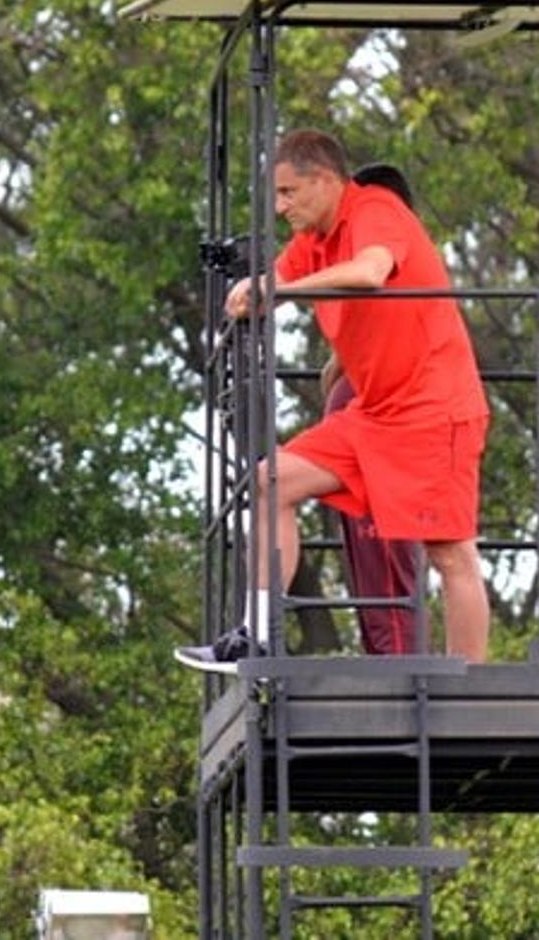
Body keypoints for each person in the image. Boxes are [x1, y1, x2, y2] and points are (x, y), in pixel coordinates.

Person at [177, 132, 492, 669]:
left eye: (287, 192)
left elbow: (370, 273)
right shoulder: (313, 240)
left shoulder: (374, 208)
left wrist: (278, 292)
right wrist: (252, 289)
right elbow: (276, 279)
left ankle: (471, 691)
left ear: (325, 181)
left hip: (436, 409)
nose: (279, 208)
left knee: (451, 552)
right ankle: (254, 637)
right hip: (374, 414)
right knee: (270, 481)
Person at [323, 163, 424, 656]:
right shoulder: (373, 269)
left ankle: (398, 662)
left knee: (386, 550)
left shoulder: (399, 264)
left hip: (380, 420)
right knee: (368, 555)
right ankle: (388, 658)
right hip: (356, 418)